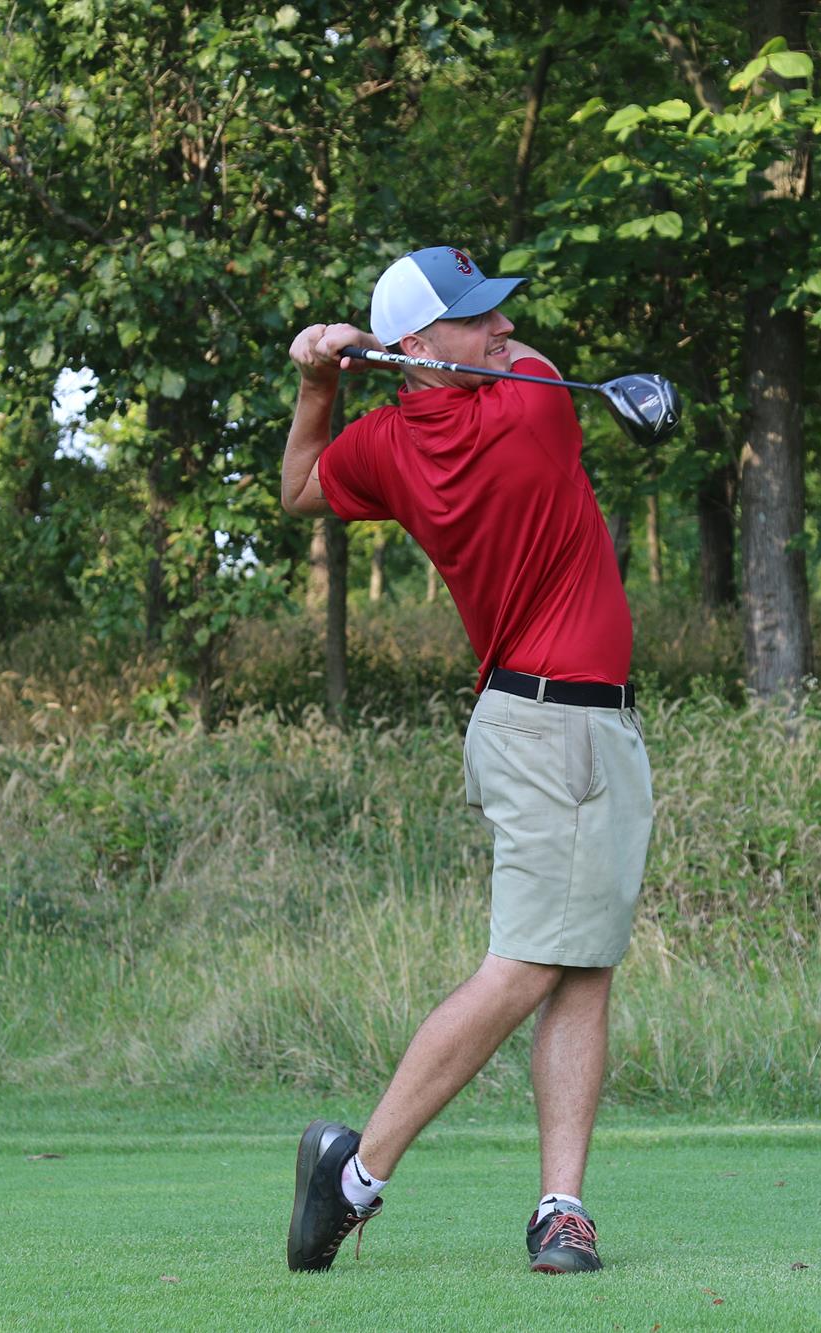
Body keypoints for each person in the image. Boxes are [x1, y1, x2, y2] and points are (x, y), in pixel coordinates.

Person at [278, 245, 654, 1275]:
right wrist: (389, 355)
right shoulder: (530, 405)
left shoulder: (387, 443)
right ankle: (355, 1174)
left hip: (553, 723)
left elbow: (301, 485)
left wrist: (321, 381)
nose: (502, 329)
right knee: (526, 965)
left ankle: (560, 1210)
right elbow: (531, 363)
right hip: (558, 728)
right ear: (421, 342)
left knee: (581, 964)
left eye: (498, 313)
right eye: (477, 317)